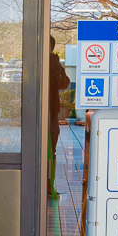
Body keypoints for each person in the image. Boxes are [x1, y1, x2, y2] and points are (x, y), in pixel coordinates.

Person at [47, 37, 70, 198]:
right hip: (35, 112)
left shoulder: (55, 62)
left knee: (51, 150)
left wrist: (57, 67)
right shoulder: (32, 60)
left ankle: (49, 185)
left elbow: (64, 84)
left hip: (51, 111)